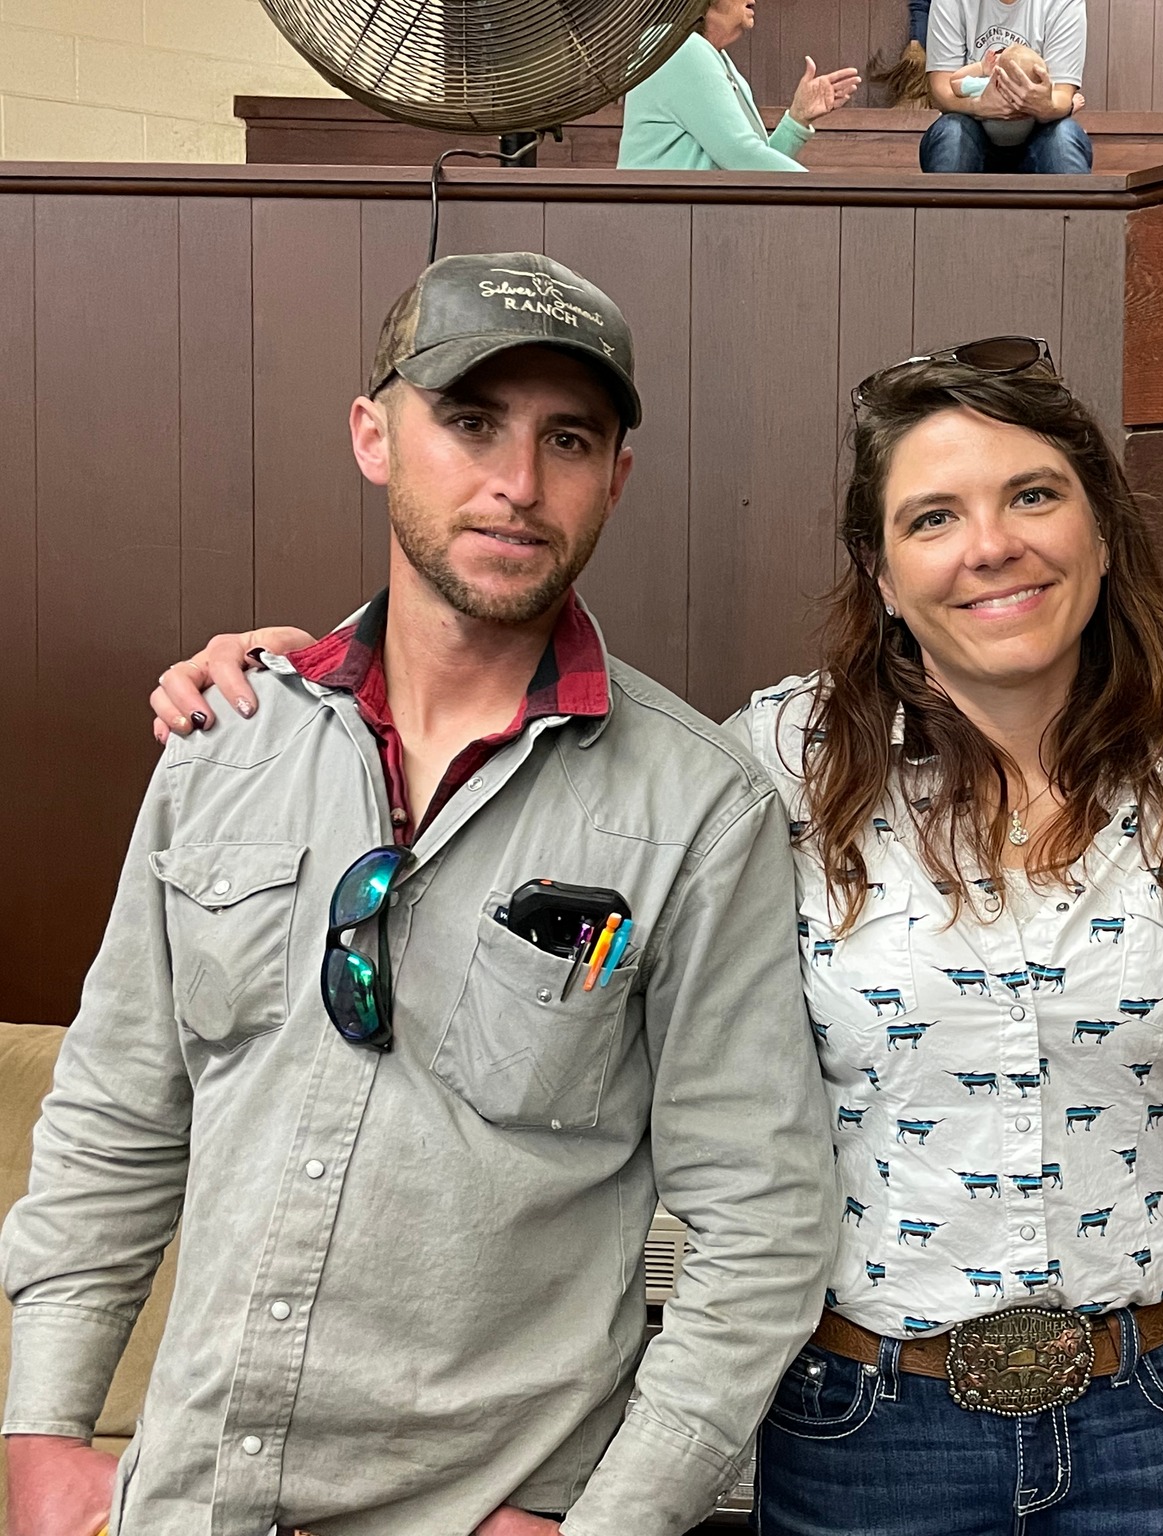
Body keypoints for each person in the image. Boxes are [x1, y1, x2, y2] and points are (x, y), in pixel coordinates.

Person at [144, 329, 1163, 1535]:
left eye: (1029, 495)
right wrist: (316, 689)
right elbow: (509, 823)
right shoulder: (754, 771)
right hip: (862, 1429)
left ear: (1098, 524)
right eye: (931, 517)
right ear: (880, 570)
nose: (988, 546)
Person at [1, 252, 836, 1536]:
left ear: (616, 476)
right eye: (468, 421)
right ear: (373, 434)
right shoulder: (227, 738)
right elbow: (119, 1112)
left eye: (568, 438)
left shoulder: (696, 808)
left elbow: (760, 1223)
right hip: (191, 1496)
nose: (516, 483)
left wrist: (613, 1520)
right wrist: (47, 1428)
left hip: (483, 1507)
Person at [619, 0, 860, 172]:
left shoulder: (717, 58)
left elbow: (750, 171)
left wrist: (797, 118)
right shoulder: (679, 48)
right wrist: (824, 193)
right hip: (662, 223)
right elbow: (741, 156)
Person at [921, 0, 1092, 175]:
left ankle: (1074, 202)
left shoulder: (1062, 3)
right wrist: (979, 106)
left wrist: (1043, 105)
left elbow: (1062, 95)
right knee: (951, 134)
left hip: (1039, 129)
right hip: (970, 126)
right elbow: (942, 89)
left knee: (1065, 138)